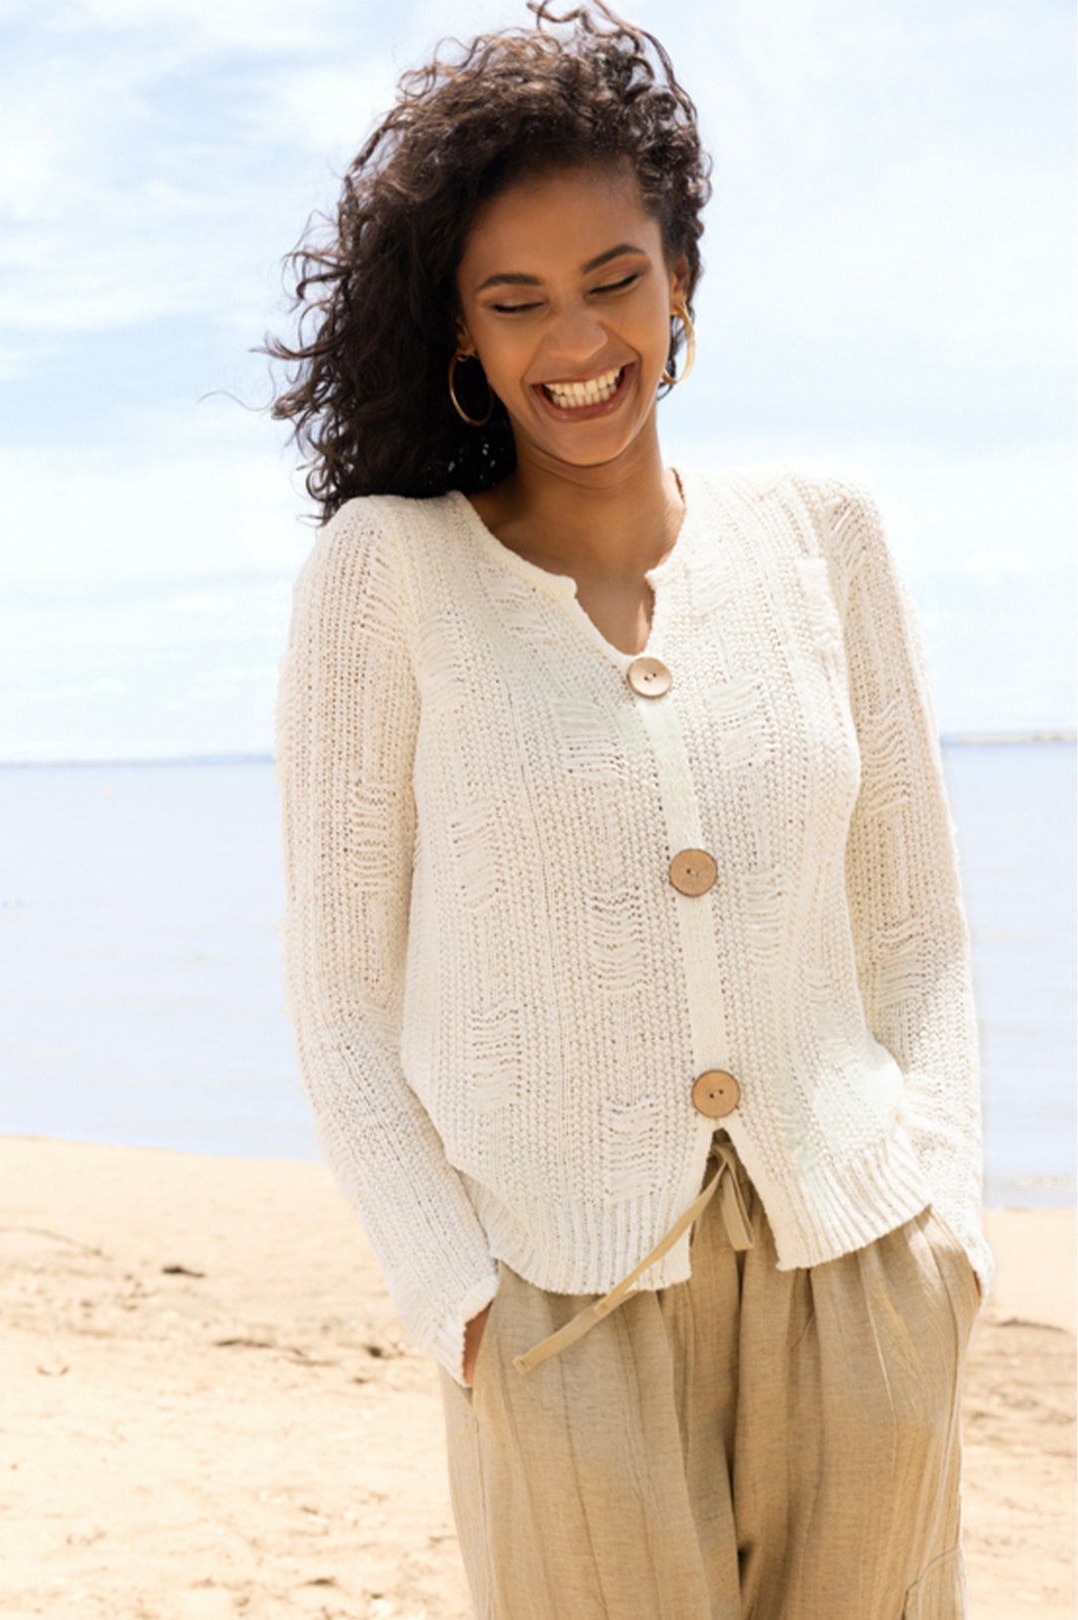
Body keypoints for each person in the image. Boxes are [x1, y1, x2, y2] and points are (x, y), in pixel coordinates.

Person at [270, 4, 993, 1614]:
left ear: (679, 277)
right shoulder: (388, 578)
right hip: (560, 1313)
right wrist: (461, 1300)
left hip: (862, 1268)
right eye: (514, 301)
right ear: (460, 330)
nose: (576, 341)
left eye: (614, 279)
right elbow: (336, 998)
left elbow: (918, 922)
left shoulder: (829, 539)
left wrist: (948, 1228)